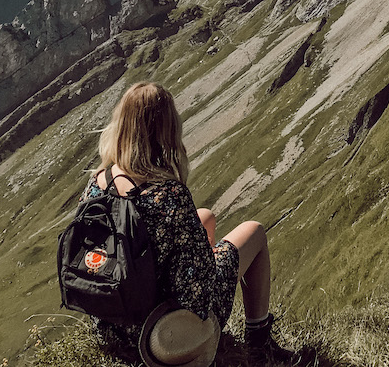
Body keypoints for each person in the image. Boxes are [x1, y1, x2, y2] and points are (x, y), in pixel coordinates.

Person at [79, 81, 294, 364]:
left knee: (205, 217)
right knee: (253, 231)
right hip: (159, 334)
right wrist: (211, 259)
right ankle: (260, 339)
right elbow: (196, 294)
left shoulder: (97, 184)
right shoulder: (169, 195)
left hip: (113, 323)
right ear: (164, 130)